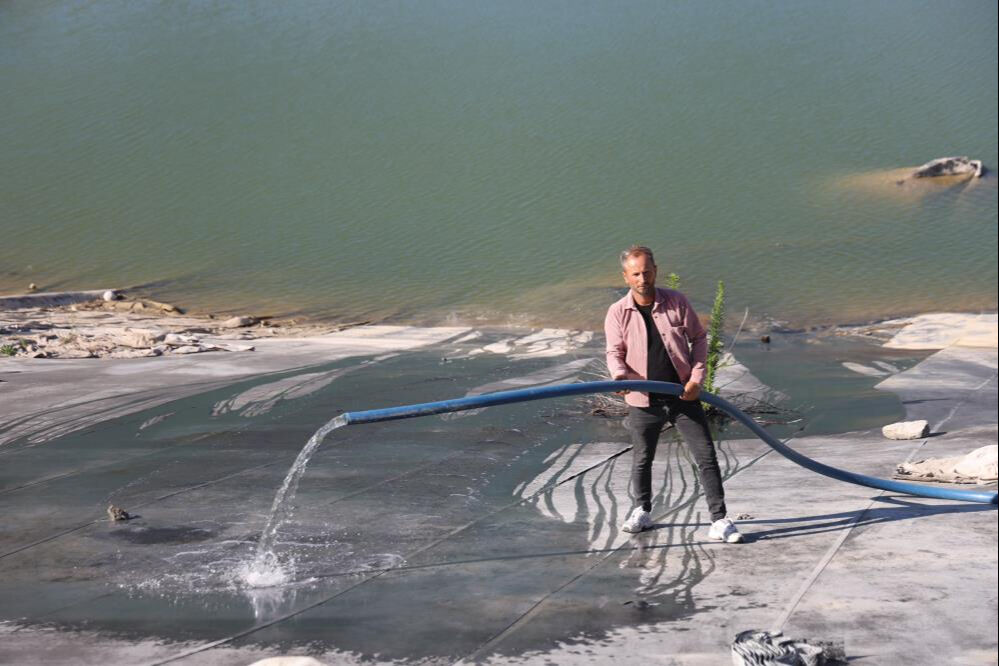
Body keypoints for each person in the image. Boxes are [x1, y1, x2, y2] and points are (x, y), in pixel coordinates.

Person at [604, 245, 743, 542]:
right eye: (636, 274)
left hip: (683, 397)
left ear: (656, 271)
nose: (642, 279)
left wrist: (696, 379)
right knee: (642, 459)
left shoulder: (676, 302)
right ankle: (642, 511)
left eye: (647, 272)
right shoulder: (617, 312)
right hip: (643, 400)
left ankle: (719, 520)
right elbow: (614, 352)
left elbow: (699, 339)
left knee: (706, 456)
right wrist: (619, 376)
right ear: (626, 277)